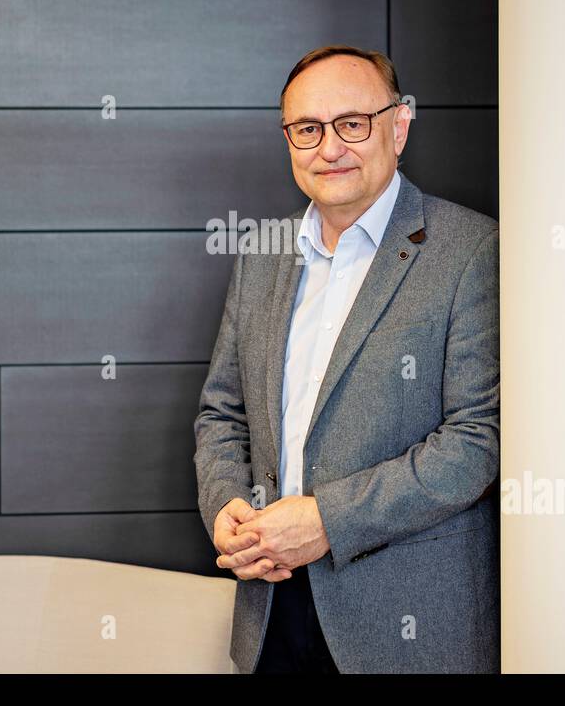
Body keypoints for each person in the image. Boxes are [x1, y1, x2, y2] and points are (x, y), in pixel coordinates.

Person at [194, 44, 500, 673]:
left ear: (399, 125)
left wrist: (327, 521)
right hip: (271, 609)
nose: (329, 148)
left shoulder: (471, 249)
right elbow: (222, 412)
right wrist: (225, 504)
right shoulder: (262, 254)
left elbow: (478, 439)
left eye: (352, 124)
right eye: (307, 129)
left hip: (405, 622)